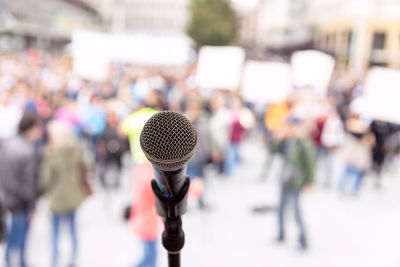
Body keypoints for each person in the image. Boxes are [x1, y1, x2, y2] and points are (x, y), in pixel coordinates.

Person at [39, 120, 92, 267]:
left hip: (57, 200)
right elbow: (88, 167)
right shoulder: (76, 150)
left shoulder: (51, 154)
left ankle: (55, 260)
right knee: (73, 229)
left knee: (56, 232)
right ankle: (73, 258)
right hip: (74, 197)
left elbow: (45, 180)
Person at [0, 113, 42, 267]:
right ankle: (19, 262)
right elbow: (29, 182)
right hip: (20, 200)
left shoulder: (8, 144)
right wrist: (32, 205)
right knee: (20, 236)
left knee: (11, 235)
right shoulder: (28, 150)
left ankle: (9, 260)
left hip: (7, 197)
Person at [274, 115, 316, 250]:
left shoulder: (303, 143)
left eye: (292, 126)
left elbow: (310, 164)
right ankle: (281, 234)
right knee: (280, 208)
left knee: (296, 211)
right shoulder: (286, 140)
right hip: (284, 178)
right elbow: (272, 151)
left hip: (296, 181)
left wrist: (309, 181)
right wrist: (277, 139)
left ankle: (303, 240)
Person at [339, 117, 373, 196]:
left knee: (354, 172)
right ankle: (347, 189)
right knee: (350, 172)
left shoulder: (364, 128)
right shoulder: (355, 125)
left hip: (357, 155)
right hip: (354, 154)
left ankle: (351, 190)